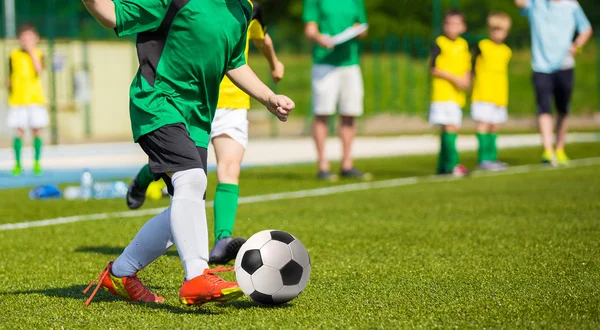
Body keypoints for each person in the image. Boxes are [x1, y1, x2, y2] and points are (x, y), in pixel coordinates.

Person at [81, 0, 294, 307]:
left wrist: (268, 97)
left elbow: (235, 61)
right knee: (192, 181)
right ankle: (196, 276)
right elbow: (110, 14)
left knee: (184, 206)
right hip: (157, 102)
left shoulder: (242, 10)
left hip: (196, 120)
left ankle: (121, 273)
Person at [125, 0, 285, 266]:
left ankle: (222, 239)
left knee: (223, 169)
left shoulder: (249, 9)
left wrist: (273, 69)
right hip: (189, 100)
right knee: (185, 174)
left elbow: (259, 41)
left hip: (234, 101)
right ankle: (145, 180)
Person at [515, 0, 593, 165]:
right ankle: (548, 150)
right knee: (543, 107)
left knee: (562, 109)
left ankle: (559, 148)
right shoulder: (535, 3)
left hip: (565, 65)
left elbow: (586, 29)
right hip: (540, 66)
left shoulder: (572, 5)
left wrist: (577, 45)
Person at [303, 0, 370, 181]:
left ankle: (347, 164)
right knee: (322, 113)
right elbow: (310, 30)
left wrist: (358, 31)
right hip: (324, 63)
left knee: (350, 113)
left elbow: (363, 28)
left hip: (350, 63)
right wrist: (320, 39)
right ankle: (322, 165)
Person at [429, 10, 471, 176]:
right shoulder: (439, 43)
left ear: (463, 27)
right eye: (449, 24)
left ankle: (443, 166)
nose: (452, 27)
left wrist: (466, 79)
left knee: (449, 129)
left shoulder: (463, 45)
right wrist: (454, 79)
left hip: (456, 95)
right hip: (443, 94)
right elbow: (433, 68)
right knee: (450, 127)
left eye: (456, 24)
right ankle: (453, 164)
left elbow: (467, 65)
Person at [471, 12, 513, 171]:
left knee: (495, 126)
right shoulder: (482, 46)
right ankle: (483, 159)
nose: (497, 33)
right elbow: (472, 67)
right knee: (483, 124)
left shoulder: (506, 51)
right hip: (483, 93)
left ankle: (492, 158)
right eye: (494, 29)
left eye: (501, 30)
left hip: (499, 95)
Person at [7, 24, 48, 176]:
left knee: (37, 131)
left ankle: (37, 162)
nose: (27, 41)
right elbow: (10, 75)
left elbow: (39, 70)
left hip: (35, 99)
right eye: (24, 38)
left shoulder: (39, 54)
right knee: (18, 132)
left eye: (30, 38)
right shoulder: (13, 55)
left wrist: (31, 52)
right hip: (18, 100)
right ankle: (18, 164)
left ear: (36, 39)